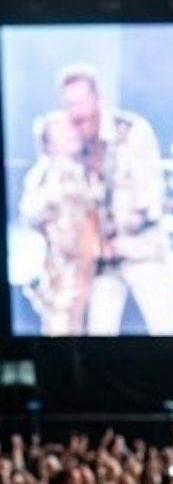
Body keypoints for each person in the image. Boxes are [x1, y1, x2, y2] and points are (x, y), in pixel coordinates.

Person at [57, 64, 173, 337]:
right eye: (70, 105)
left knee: (167, 329)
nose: (76, 113)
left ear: (97, 99)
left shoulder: (132, 132)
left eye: (80, 103)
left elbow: (152, 195)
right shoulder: (70, 143)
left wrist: (123, 224)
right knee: (97, 337)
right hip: (101, 263)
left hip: (143, 252)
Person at [17, 108, 99, 335]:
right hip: (60, 272)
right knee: (63, 331)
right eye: (62, 132)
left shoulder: (84, 170)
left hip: (88, 268)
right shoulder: (45, 174)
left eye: (71, 129)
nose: (71, 134)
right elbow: (30, 214)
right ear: (49, 144)